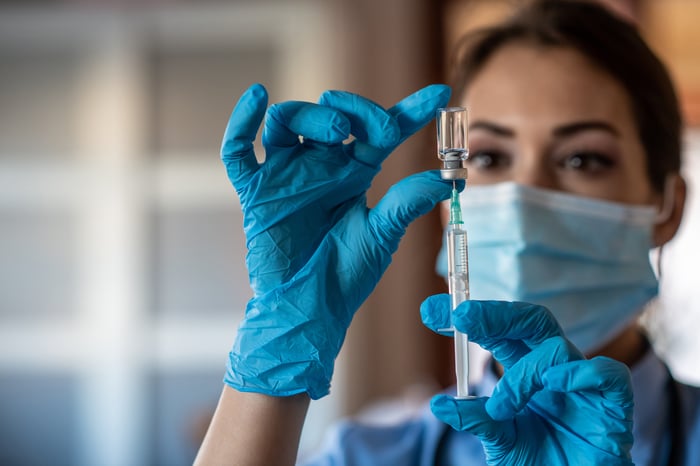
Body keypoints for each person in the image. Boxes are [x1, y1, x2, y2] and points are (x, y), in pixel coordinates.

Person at [194, 1, 700, 464]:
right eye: (487, 157)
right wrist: (277, 348)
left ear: (667, 207)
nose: (523, 197)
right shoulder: (369, 456)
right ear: (446, 201)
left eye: (581, 159)